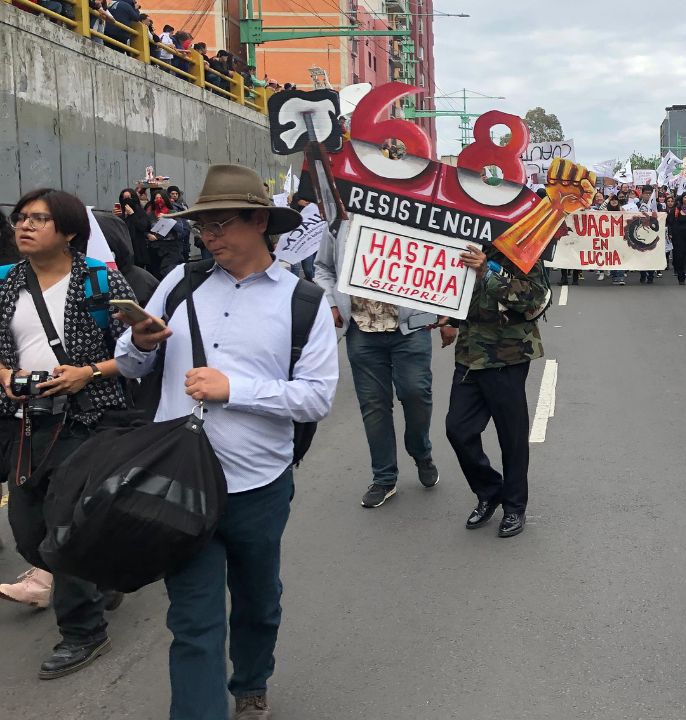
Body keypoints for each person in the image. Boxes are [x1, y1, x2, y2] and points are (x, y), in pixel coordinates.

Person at [116, 164, 338, 720]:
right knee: (193, 623)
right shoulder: (180, 283)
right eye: (202, 226)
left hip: (258, 487)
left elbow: (314, 399)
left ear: (259, 221)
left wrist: (233, 389)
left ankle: (251, 680)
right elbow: (130, 361)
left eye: (220, 224)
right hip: (179, 483)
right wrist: (139, 343)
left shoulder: (303, 302)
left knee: (258, 603)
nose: (208, 236)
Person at [0, 189, 136, 678]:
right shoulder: (5, 282)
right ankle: (102, 571)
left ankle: (83, 631)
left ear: (69, 231)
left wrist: (89, 372)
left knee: (64, 523)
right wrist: (4, 377)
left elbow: (139, 351)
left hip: (87, 418)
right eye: (21, 218)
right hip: (24, 423)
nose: (25, 226)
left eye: (40, 219)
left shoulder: (100, 280)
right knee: (28, 534)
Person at [313, 217, 445, 510]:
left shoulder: (416, 214)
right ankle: (384, 478)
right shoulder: (339, 221)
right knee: (374, 406)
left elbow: (442, 261)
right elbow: (323, 268)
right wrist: (332, 302)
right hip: (362, 330)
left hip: (410, 328)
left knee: (416, 394)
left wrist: (450, 314)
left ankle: (421, 451)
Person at [441, 245, 550, 540]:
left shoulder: (522, 250)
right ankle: (490, 491)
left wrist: (487, 271)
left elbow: (535, 299)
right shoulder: (462, 243)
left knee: (511, 436)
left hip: (507, 356)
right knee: (457, 429)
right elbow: (454, 288)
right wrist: (449, 317)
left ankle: (514, 506)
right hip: (469, 356)